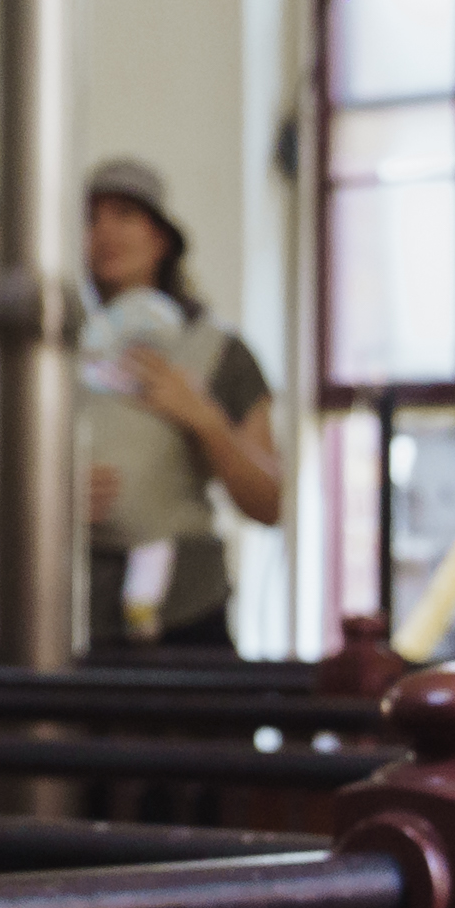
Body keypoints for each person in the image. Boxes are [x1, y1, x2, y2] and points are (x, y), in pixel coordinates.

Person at [75, 158, 277, 649]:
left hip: (185, 614)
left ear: (160, 237)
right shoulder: (51, 352)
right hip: (72, 610)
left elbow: (270, 502)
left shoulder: (221, 352)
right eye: (90, 218)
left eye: (123, 214)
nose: (104, 232)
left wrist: (204, 419)